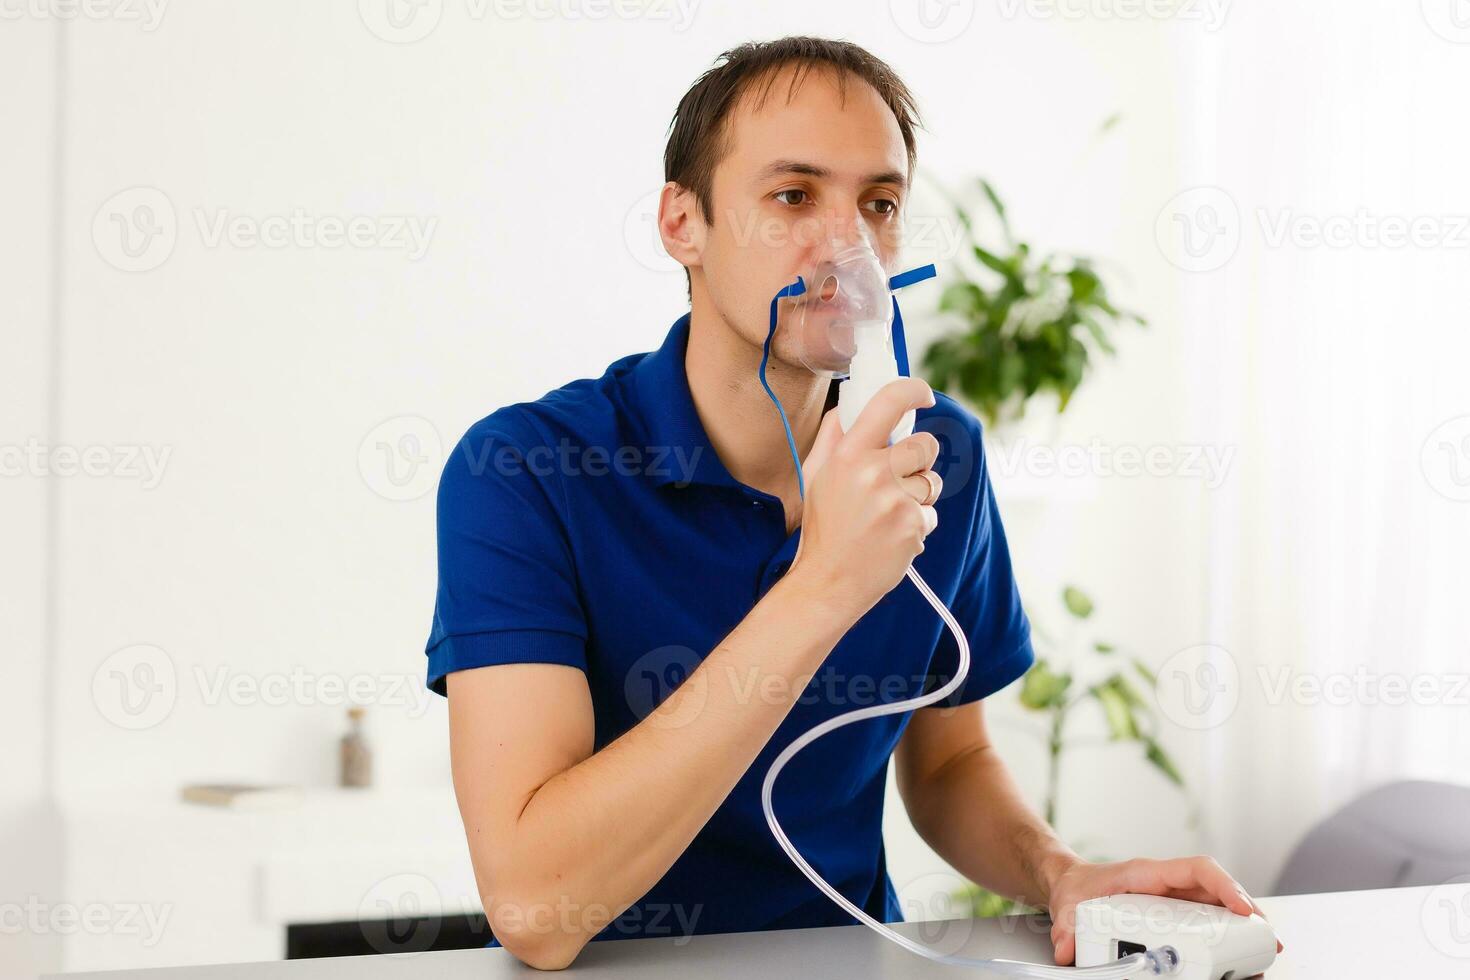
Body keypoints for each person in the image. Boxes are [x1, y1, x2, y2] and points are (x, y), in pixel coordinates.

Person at [426, 35, 1279, 971]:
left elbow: (950, 766)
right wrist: (823, 585)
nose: (849, 245)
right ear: (683, 223)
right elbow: (536, 909)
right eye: (793, 196)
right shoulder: (523, 470)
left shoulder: (932, 450)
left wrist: (1060, 872)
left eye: (879, 203)